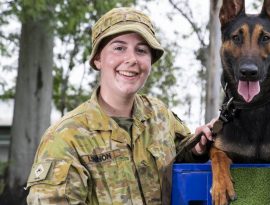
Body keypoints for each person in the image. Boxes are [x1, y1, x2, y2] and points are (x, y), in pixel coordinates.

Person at [26, 7, 213, 205]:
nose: (131, 59)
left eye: (141, 50)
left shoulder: (160, 116)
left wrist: (197, 149)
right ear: (98, 58)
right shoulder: (65, 137)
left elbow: (180, 164)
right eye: (119, 48)